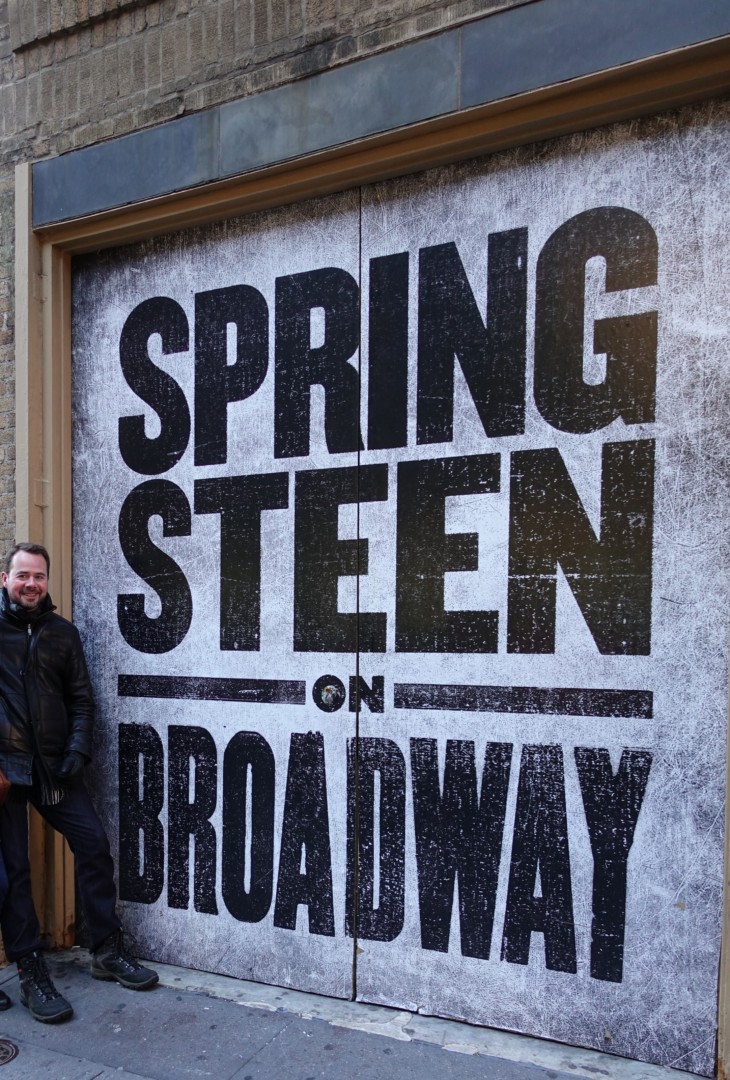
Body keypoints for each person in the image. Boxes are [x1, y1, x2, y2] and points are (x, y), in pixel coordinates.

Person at [0, 542, 158, 1023]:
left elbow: (83, 700)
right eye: (22, 575)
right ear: (4, 579)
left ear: (48, 582)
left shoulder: (62, 633)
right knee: (15, 872)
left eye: (39, 576)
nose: (31, 584)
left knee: (93, 844)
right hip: (6, 771)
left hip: (54, 768)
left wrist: (76, 753)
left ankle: (107, 950)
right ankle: (30, 970)